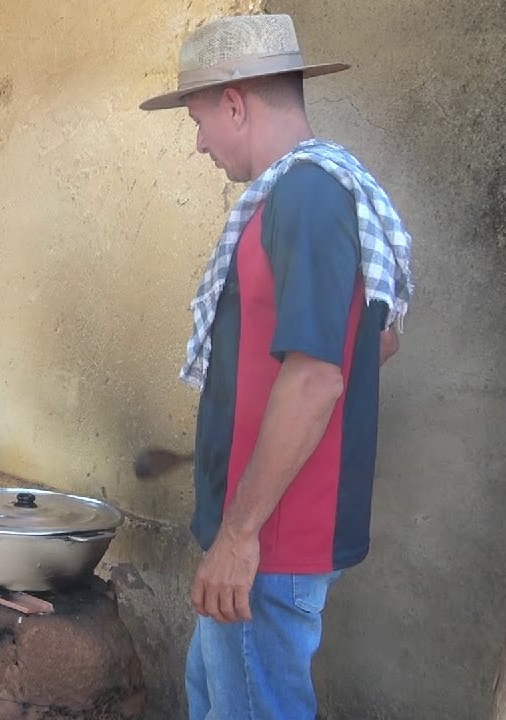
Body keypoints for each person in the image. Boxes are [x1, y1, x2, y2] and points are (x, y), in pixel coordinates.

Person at [139, 14, 414, 719]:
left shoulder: (307, 197)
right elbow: (374, 343)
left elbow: (318, 376)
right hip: (259, 528)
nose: (198, 141)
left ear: (236, 102)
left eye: (199, 119)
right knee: (216, 696)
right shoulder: (298, 197)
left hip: (270, 540)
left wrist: (236, 537)